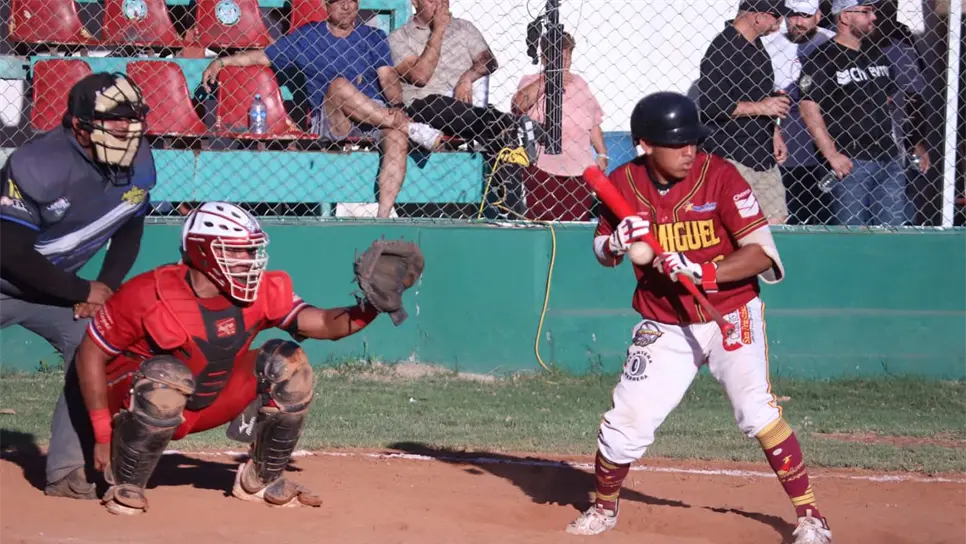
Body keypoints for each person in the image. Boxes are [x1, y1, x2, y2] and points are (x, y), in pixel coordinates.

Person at [565, 92, 832, 544]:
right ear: (645, 145)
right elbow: (602, 249)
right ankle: (604, 509)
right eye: (677, 143)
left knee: (756, 410)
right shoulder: (624, 182)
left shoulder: (720, 176)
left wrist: (702, 271)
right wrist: (614, 243)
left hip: (729, 312)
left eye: (693, 141)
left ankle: (811, 517)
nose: (689, 151)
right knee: (626, 421)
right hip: (664, 319)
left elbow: (760, 254)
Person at [71, 202, 422, 515]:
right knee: (168, 375)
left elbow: (324, 324)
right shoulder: (148, 292)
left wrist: (371, 308)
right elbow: (91, 353)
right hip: (136, 401)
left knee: (288, 361)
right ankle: (125, 482)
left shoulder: (260, 290)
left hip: (205, 400)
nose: (249, 260)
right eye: (237, 251)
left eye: (251, 250)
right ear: (203, 252)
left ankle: (260, 480)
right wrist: (101, 432)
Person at [0, 72, 154, 500]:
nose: (128, 128)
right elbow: (9, 252)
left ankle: (68, 470)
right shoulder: (38, 164)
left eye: (134, 118)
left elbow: (129, 226)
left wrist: (104, 286)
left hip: (49, 291)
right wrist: (81, 291)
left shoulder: (138, 160)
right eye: (116, 119)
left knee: (95, 343)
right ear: (80, 125)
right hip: (13, 276)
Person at [200, 0, 443, 218]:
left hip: (374, 116)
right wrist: (222, 61)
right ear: (326, 6)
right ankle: (410, 127)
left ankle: (383, 217)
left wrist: (397, 105)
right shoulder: (308, 37)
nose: (346, 6)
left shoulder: (373, 36)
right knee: (339, 86)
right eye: (339, 2)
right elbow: (263, 57)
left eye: (352, 1)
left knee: (397, 138)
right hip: (332, 118)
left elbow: (388, 76)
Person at [798, 0, 927, 226]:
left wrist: (912, 143)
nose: (874, 17)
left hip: (888, 157)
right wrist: (831, 154)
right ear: (845, 17)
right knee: (850, 232)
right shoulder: (823, 58)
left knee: (892, 230)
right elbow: (808, 108)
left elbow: (889, 102)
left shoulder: (876, 54)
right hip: (849, 161)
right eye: (866, 12)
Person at [697, 0, 792, 225]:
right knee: (741, 225)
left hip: (762, 153)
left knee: (777, 221)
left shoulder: (756, 46)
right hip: (732, 154)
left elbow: (762, 95)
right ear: (758, 16)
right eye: (776, 16)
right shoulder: (723, 48)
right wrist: (761, 107)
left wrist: (774, 133)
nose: (780, 23)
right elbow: (712, 104)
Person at [512, 30, 608, 221]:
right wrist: (549, 79)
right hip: (543, 168)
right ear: (545, 58)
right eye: (558, 58)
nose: (564, 63)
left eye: (567, 57)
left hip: (580, 169)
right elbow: (518, 106)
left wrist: (602, 153)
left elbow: (594, 123)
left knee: (577, 222)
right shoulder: (531, 81)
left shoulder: (580, 83)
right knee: (543, 223)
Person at [762, 0, 836, 224]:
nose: (798, 22)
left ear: (818, 16)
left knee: (825, 219)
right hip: (785, 151)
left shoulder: (831, 44)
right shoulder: (768, 45)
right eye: (793, 14)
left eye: (805, 15)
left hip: (826, 151)